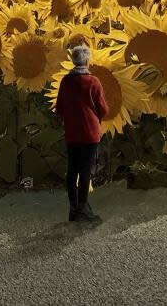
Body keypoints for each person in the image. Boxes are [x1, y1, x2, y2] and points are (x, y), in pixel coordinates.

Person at [54, 44, 108, 221]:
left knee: (72, 170)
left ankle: (73, 207)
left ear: (73, 60)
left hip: (72, 133)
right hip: (90, 134)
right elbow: (103, 109)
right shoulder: (93, 82)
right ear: (87, 60)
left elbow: (59, 108)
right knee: (85, 170)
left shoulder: (66, 81)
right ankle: (83, 208)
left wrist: (70, 118)